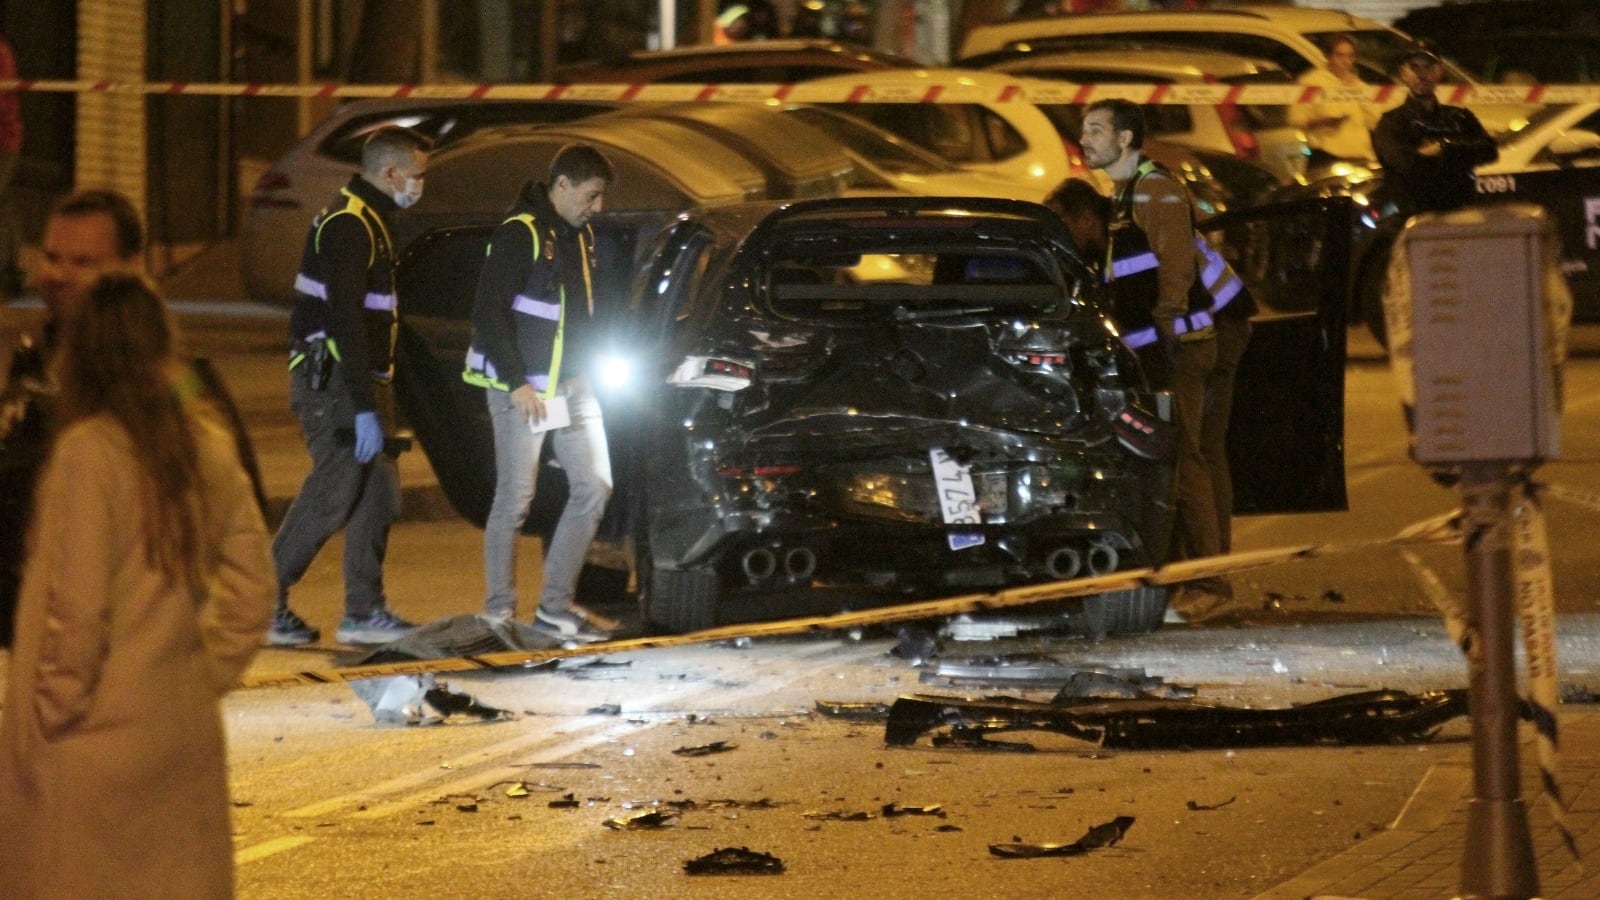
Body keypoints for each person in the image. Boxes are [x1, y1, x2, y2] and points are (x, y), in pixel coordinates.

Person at [0, 273, 275, 898]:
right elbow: (254, 589)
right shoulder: (206, 445)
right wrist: (201, 677)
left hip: (94, 742)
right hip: (179, 730)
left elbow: (76, 608)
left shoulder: (88, 454)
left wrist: (51, 712)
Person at [0, 189, 264, 647]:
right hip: (39, 656)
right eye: (52, 257)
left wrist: (194, 671)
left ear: (132, 271)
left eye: (82, 262)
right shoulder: (32, 367)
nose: (58, 275)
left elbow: (240, 529)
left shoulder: (181, 383)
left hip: (119, 664)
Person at [1079, 98, 1248, 624]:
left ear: (1125, 138)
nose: (1084, 139)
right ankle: (1207, 571)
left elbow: (1173, 272)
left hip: (1189, 342)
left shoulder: (1154, 190)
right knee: (1200, 456)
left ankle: (1210, 584)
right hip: (1190, 336)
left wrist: (1164, 337)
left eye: (1095, 130)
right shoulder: (1128, 191)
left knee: (1185, 459)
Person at [270, 126, 431, 646]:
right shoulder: (348, 226)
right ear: (390, 173)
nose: (419, 185)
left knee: (378, 496)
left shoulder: (372, 222)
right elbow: (344, 321)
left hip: (361, 384)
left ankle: (364, 612)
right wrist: (363, 405)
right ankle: (260, 602)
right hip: (335, 383)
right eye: (417, 176)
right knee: (334, 491)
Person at [463, 142, 618, 643]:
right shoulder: (521, 233)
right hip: (528, 390)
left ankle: (553, 607)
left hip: (572, 386)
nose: (598, 207)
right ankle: (498, 614)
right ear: (563, 185)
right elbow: (488, 313)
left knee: (594, 485)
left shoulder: (582, 235)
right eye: (591, 195)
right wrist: (517, 383)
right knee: (515, 500)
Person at [1372, 41, 1498, 218]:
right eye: (1414, 67)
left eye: (1428, 67)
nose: (1422, 74)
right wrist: (1457, 156)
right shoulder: (1392, 123)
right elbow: (1407, 165)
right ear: (1403, 73)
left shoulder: (1458, 117)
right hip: (1413, 220)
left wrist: (1443, 147)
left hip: (1459, 216)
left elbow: (1489, 150)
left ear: (1439, 71)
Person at [1290, 33, 1378, 164]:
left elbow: (1373, 120)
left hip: (1361, 155)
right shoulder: (1311, 82)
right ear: (1329, 57)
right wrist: (1322, 122)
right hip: (1328, 155)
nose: (1346, 61)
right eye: (1340, 55)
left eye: (1350, 56)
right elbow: (1295, 120)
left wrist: (1357, 89)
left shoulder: (1358, 84)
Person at [0, 29, 22, 295]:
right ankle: (12, 271)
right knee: (4, 204)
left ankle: (8, 272)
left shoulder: (1, 53)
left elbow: (4, 104)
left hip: (4, 142)